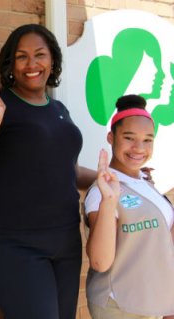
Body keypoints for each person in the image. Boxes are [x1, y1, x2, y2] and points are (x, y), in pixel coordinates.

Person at [0, 24, 97, 319]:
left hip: (66, 241)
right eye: (21, 56)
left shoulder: (59, 109)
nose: (32, 64)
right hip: (15, 244)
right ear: (10, 64)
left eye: (40, 55)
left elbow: (66, 171)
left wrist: (115, 178)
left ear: (53, 61)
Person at [85, 94, 174, 319]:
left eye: (147, 139)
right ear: (111, 137)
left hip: (153, 302)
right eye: (129, 137)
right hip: (120, 306)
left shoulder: (147, 184)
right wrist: (109, 201)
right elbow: (99, 261)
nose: (138, 148)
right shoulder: (102, 191)